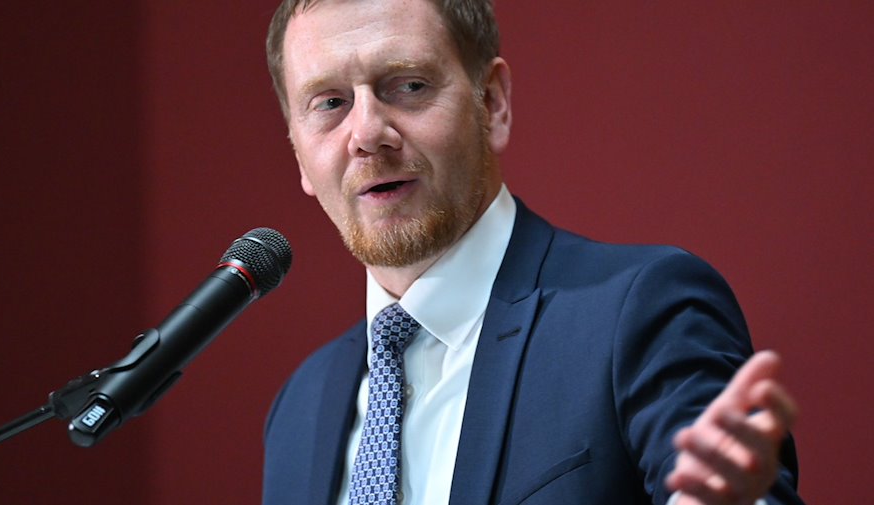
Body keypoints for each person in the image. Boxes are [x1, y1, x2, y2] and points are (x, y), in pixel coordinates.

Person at [261, 1, 803, 504]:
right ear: (298, 155)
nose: (367, 133)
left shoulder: (641, 314)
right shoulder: (299, 408)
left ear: (492, 103)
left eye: (408, 85)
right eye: (330, 103)